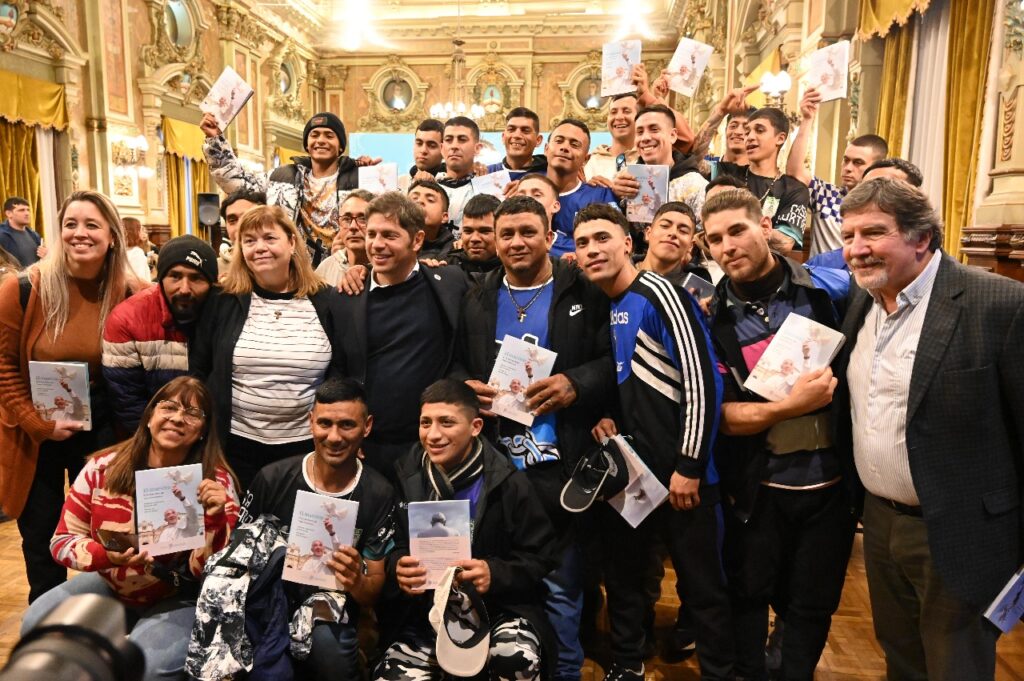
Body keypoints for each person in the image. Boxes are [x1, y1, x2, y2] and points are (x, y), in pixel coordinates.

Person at [833, 178, 1024, 681]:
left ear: (921, 237)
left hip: (962, 533)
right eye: (848, 236)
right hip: (879, 524)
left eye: (873, 233)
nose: (856, 249)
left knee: (955, 668)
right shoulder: (862, 302)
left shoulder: (999, 304)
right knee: (901, 661)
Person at [454, 195, 613, 681]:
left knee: (563, 584)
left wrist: (576, 383)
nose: (517, 242)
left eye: (528, 232)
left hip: (560, 464)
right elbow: (456, 363)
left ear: (550, 236)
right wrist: (466, 388)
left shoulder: (583, 289)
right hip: (494, 468)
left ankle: (565, 671)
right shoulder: (477, 296)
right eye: (507, 234)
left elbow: (614, 359)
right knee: (496, 575)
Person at [700, 188, 855, 681]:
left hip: (831, 487)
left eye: (737, 230)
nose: (728, 246)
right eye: (715, 239)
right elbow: (723, 416)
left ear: (764, 226)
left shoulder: (830, 292)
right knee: (747, 595)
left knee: (811, 605)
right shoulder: (712, 319)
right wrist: (790, 407)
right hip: (758, 488)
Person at [573, 204, 732, 681]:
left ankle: (720, 673)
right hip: (636, 473)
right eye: (582, 243)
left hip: (685, 476)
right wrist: (608, 415)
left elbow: (702, 380)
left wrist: (690, 465)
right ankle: (627, 664)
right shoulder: (611, 305)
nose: (592, 250)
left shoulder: (660, 292)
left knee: (703, 588)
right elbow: (634, 382)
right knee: (624, 577)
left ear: (628, 243)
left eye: (603, 238)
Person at [20, 377, 239, 681]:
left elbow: (214, 573)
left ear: (203, 430)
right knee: (37, 621)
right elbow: (62, 541)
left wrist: (215, 521)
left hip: (180, 593)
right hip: (113, 585)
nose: (178, 418)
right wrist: (105, 555)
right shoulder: (101, 468)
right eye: (169, 407)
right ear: (149, 417)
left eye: (192, 413)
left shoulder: (215, 484)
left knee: (145, 666)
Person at [0, 190, 138, 603]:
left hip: (105, 431)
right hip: (36, 434)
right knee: (40, 538)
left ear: (112, 236)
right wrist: (36, 422)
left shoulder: (131, 293)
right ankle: (48, 624)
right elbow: (3, 366)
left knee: (108, 531)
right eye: (70, 224)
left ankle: (106, 619)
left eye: (92, 225)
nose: (80, 233)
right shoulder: (23, 289)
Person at [377, 379, 557, 681]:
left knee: (516, 659)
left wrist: (494, 573)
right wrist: (398, 566)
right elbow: (388, 545)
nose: (433, 434)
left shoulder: (508, 482)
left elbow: (542, 557)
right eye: (425, 423)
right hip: (425, 615)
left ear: (475, 427)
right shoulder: (404, 476)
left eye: (447, 423)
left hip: (499, 609)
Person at [238, 378, 397, 679]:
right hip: (266, 599)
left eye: (347, 425)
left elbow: (373, 589)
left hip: (332, 607)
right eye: (325, 423)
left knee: (330, 649)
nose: (334, 437)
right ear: (310, 422)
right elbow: (237, 558)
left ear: (367, 427)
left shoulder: (379, 493)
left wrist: (356, 581)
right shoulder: (271, 478)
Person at [190, 205, 345, 492]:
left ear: (292, 242)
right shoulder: (223, 300)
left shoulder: (326, 300)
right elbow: (200, 369)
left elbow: (342, 370)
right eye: (249, 241)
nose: (259, 248)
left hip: (306, 445)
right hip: (235, 446)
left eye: (270, 238)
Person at [331, 192, 468, 479]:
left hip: (431, 446)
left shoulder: (450, 283)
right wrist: (347, 431)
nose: (377, 244)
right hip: (367, 447)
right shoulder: (346, 297)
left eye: (389, 235)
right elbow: (338, 372)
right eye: (372, 234)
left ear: (417, 240)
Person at [201, 111, 360, 264]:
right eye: (315, 135)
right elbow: (237, 183)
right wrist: (214, 140)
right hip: (291, 269)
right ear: (307, 144)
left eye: (329, 135)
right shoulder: (282, 177)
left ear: (340, 146)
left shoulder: (357, 179)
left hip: (343, 267)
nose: (321, 140)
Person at [103, 235, 218, 432]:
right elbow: (127, 400)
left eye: (196, 278)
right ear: (161, 278)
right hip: (152, 435)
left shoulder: (224, 315)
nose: (184, 289)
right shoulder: (127, 318)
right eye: (175, 276)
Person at [786, 87, 889, 256]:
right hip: (820, 273)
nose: (848, 168)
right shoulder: (827, 195)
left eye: (858, 163)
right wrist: (807, 119)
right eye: (846, 160)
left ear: (876, 168)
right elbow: (794, 170)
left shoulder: (885, 206)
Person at [715, 108, 810, 256]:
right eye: (748, 132)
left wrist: (732, 225)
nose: (749, 137)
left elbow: (784, 243)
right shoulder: (727, 173)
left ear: (780, 138)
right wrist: (720, 111)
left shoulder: (794, 189)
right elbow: (695, 159)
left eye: (759, 130)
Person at [805, 158, 924, 271]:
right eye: (866, 188)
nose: (872, 196)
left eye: (887, 189)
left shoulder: (927, 267)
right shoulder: (822, 266)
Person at [612, 104, 708, 221]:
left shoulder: (695, 185)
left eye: (654, 130)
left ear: (672, 135)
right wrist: (615, 196)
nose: (645, 138)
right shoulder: (624, 179)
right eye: (640, 132)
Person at [544, 119, 619, 258]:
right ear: (546, 149)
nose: (565, 147)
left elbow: (617, 244)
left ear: (585, 158)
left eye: (574, 144)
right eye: (559, 141)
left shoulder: (600, 195)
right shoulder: (526, 190)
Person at [637, 201, 711, 286]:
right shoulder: (624, 272)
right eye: (665, 226)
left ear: (690, 245)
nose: (673, 233)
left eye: (683, 231)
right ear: (648, 233)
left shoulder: (697, 287)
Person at [315, 189, 373, 286]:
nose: (353, 226)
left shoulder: (385, 271)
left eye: (362, 219)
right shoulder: (326, 268)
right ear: (339, 225)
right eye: (346, 219)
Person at [436, 116, 483, 230]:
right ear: (442, 148)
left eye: (462, 139)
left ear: (477, 148)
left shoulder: (489, 189)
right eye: (448, 140)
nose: (454, 146)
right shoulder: (429, 189)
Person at [444, 193, 502, 278]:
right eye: (468, 231)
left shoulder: (514, 271)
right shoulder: (445, 267)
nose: (474, 239)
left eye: (484, 231)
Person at [585, 93, 640, 181]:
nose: (618, 117)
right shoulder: (592, 161)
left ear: (640, 117)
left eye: (626, 111)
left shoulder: (647, 158)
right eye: (613, 112)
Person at [486, 107, 547, 179]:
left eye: (525, 130)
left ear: (538, 140)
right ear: (503, 137)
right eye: (511, 129)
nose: (517, 135)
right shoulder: (486, 174)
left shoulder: (549, 177)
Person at [217, 189, 267, 276]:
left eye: (248, 218)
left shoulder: (280, 263)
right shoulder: (215, 269)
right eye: (232, 220)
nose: (239, 227)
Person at [408, 179, 456, 260]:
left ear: (444, 217)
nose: (420, 201)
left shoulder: (455, 252)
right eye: (414, 198)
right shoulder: (390, 243)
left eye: (430, 200)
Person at [0, 197, 45, 268]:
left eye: (28, 210)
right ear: (9, 213)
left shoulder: (34, 235)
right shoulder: (2, 235)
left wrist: (45, 256)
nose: (27, 213)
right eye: (21, 210)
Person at [122, 217, 152, 283]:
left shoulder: (118, 251)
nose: (142, 233)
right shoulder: (136, 253)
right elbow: (139, 281)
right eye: (141, 229)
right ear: (135, 232)